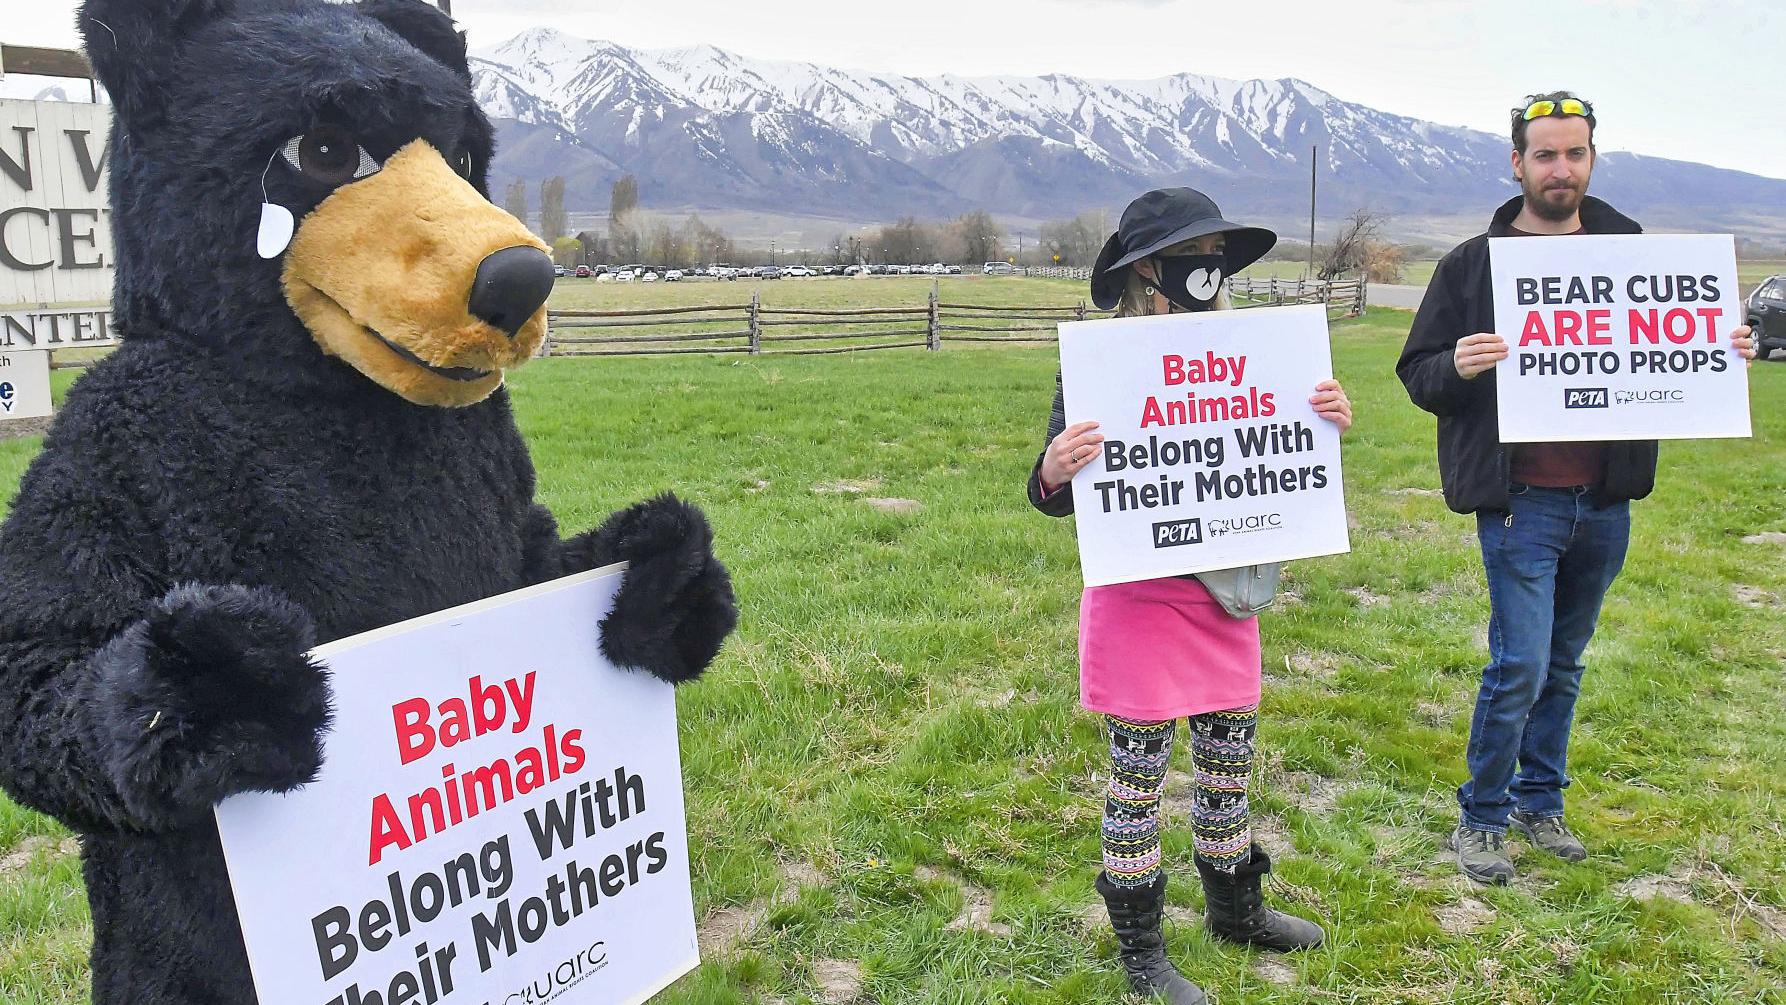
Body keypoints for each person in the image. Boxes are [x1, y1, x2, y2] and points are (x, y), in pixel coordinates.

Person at [1396, 92, 1758, 886]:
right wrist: (1456, 366)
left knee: (1563, 663)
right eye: (1546, 154)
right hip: (1521, 502)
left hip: (1604, 502)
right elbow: (1418, 374)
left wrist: (1717, 347)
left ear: (1592, 159)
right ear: (1517, 163)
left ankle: (1540, 800)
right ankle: (1482, 816)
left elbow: (1677, 353)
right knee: (1518, 663)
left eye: (1576, 153)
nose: (1562, 168)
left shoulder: (1632, 257)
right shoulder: (1473, 264)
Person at [1029, 188, 1353, 1005]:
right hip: (1138, 599)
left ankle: (1233, 908)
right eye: (1193, 253)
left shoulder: (1252, 353)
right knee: (1137, 779)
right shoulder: (1103, 365)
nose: (1208, 268)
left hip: (1225, 596)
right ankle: (1142, 949)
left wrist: (1325, 422)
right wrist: (1054, 468)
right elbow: (1048, 492)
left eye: (1216, 254)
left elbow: (1282, 454)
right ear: (1148, 266)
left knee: (1228, 763)